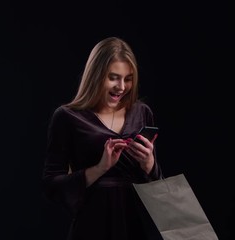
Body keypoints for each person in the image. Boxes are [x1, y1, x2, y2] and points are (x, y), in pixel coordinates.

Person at [42, 36, 163, 240]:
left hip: (134, 223)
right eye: (113, 77)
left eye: (128, 78)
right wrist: (100, 168)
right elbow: (51, 185)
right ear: (96, 76)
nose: (122, 87)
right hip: (91, 225)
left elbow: (154, 185)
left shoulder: (142, 112)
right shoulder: (67, 117)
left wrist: (150, 164)